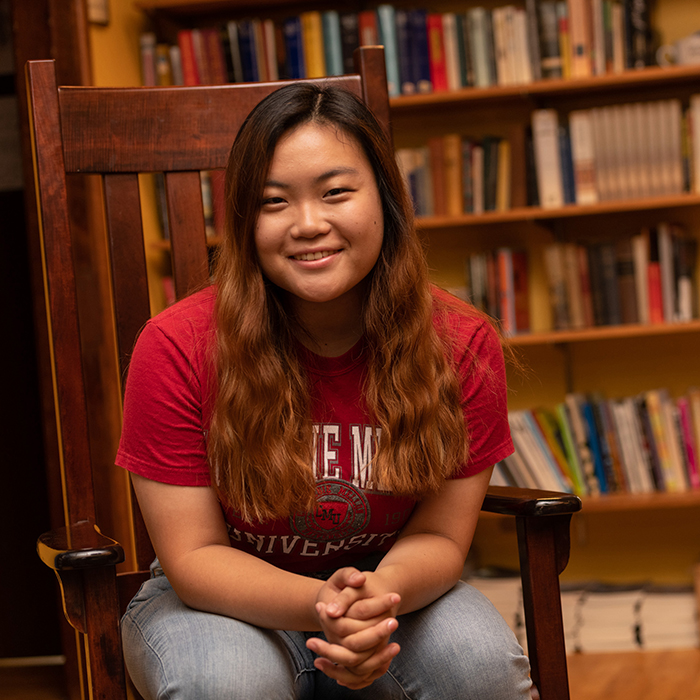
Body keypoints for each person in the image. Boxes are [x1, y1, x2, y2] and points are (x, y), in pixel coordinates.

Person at [117, 82, 532, 700]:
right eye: (273, 201)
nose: (309, 225)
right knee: (223, 686)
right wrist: (322, 606)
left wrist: (370, 602)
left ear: (385, 199)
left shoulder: (461, 343)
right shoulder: (176, 345)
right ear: (243, 221)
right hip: (217, 605)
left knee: (483, 671)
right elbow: (195, 556)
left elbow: (442, 537)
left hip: (390, 591)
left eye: (336, 192)